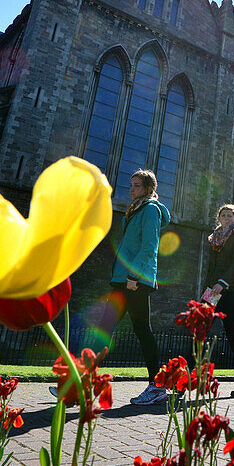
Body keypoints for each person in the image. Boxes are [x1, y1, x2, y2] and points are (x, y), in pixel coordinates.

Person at [88, 169, 171, 405]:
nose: (131, 188)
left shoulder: (151, 210)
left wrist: (134, 275)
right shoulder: (135, 211)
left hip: (135, 281)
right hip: (123, 278)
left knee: (142, 330)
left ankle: (157, 386)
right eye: (131, 184)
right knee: (105, 327)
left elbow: (149, 246)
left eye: (136, 185)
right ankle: (81, 382)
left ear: (147, 188)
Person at [202, 203, 234, 397]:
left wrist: (223, 282)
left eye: (230, 216)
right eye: (224, 215)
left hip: (233, 290)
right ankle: (189, 378)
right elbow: (210, 267)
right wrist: (207, 289)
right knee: (200, 330)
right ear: (219, 218)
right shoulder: (214, 238)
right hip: (213, 291)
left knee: (232, 334)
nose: (227, 218)